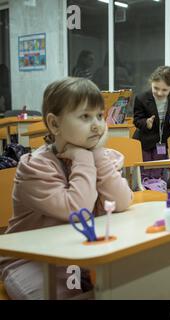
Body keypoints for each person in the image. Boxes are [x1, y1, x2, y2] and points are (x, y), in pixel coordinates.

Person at [0, 77, 133, 300]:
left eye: (100, 116)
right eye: (85, 116)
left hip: (81, 253)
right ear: (54, 124)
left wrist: (97, 153)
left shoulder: (97, 157)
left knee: (129, 286)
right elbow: (77, 209)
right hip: (32, 260)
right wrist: (83, 157)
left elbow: (121, 202)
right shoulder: (35, 166)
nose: (97, 125)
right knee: (62, 296)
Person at [132, 66, 170, 181]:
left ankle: (157, 189)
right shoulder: (141, 98)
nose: (160, 93)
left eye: (164, 90)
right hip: (144, 140)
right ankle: (145, 190)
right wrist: (146, 123)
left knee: (159, 169)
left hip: (162, 140)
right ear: (151, 83)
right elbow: (136, 119)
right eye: (156, 88)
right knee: (145, 170)